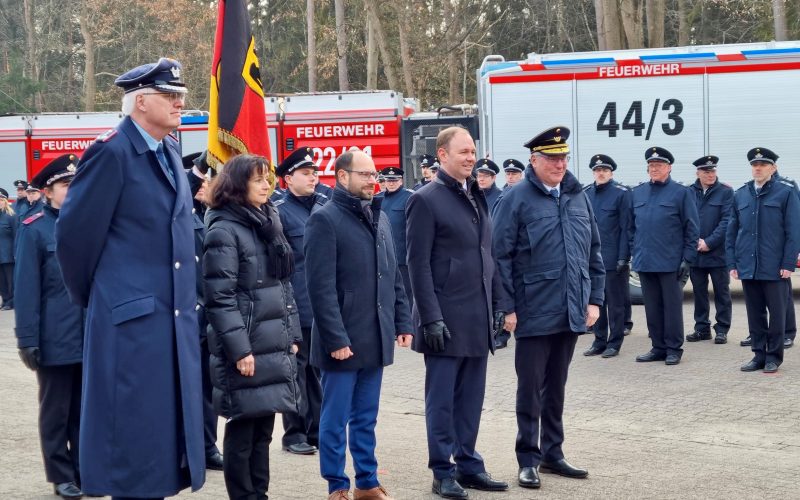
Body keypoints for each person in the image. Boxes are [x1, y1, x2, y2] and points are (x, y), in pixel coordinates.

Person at [55, 57, 205, 499]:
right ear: (140, 102)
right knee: (134, 443)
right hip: (131, 321)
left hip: (171, 317)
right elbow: (75, 238)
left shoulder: (169, 148)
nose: (180, 103)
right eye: (170, 96)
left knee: (162, 441)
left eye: (181, 95)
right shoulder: (112, 151)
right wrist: (105, 299)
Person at [493, 126, 604, 490]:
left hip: (571, 310)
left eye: (564, 158)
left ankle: (553, 453)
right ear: (534, 160)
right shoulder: (516, 198)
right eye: (552, 158)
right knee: (530, 389)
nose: (560, 164)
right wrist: (507, 308)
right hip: (532, 309)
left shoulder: (577, 196)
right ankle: (528, 458)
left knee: (556, 386)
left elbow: (593, 252)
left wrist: (594, 299)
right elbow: (500, 257)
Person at [406, 127, 508, 499]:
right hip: (444, 321)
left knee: (470, 400)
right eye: (463, 152)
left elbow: (487, 258)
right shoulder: (425, 199)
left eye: (473, 152)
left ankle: (468, 463)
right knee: (443, 400)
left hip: (476, 318)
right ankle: (441, 470)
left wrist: (498, 306)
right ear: (443, 155)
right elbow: (417, 265)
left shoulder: (475, 196)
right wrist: (430, 317)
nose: (470, 157)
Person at [305, 149, 413, 500]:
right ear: (342, 177)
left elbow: (391, 273)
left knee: (366, 418)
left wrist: (401, 320)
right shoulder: (325, 219)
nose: (373, 180)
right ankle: (337, 484)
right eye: (365, 174)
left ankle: (366, 481)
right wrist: (335, 339)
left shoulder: (378, 217)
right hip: (342, 341)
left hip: (375, 336)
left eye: (374, 174)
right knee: (335, 420)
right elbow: (320, 289)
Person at [202, 154, 301, 500]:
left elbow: (283, 286)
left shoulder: (267, 220)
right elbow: (220, 297)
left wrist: (294, 335)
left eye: (268, 179)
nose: (266, 185)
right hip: (246, 348)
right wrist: (239, 350)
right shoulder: (223, 229)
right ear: (236, 184)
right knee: (243, 431)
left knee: (264, 430)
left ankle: (260, 494)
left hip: (272, 342)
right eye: (258, 179)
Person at [15, 154, 85, 499]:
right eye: (64, 185)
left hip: (89, 336)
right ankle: (61, 475)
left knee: (84, 409)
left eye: (75, 183)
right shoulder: (34, 230)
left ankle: (83, 469)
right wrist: (27, 339)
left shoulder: (87, 223)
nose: (71, 190)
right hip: (55, 337)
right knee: (56, 410)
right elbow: (26, 290)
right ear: (47, 191)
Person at [727, 147, 800, 374]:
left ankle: (773, 357)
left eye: (763, 165)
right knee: (754, 313)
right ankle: (758, 355)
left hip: (774, 266)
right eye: (755, 165)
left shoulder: (785, 192)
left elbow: (794, 231)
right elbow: (732, 231)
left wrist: (788, 263)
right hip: (748, 266)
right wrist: (732, 263)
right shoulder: (741, 194)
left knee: (777, 314)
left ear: (773, 168)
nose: (758, 168)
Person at [274, 147, 327, 456]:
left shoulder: (324, 204)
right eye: (306, 174)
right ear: (288, 179)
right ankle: (294, 433)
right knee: (295, 371)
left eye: (314, 173)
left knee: (319, 371)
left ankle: (318, 429)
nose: (313, 178)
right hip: (295, 304)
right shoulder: (279, 210)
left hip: (323, 305)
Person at [631, 147, 699, 366]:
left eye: (659, 165)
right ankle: (658, 347)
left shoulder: (681, 192)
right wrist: (634, 251)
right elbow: (631, 227)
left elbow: (692, 228)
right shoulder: (638, 192)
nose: (654, 169)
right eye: (651, 165)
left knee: (671, 308)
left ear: (669, 168)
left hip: (670, 262)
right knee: (652, 308)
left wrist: (687, 259)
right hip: (645, 261)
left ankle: (673, 348)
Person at [182, 151, 225, 472]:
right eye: (202, 178)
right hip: (183, 317)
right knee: (183, 388)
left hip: (209, 318)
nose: (204, 184)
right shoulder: (182, 210)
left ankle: (207, 446)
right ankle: (183, 448)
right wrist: (200, 169)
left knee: (208, 390)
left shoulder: (216, 215)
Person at [582, 154, 631, 358]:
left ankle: (614, 343)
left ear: (611, 172)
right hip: (591, 260)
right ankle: (599, 341)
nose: (600, 173)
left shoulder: (621, 194)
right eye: (597, 170)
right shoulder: (585, 194)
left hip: (612, 260)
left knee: (616, 305)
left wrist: (623, 258)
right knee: (596, 302)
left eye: (604, 170)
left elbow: (626, 228)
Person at [687, 156, 734, 345]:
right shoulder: (689, 192)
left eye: (713, 171)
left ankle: (722, 329)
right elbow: (686, 219)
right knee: (699, 293)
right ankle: (702, 328)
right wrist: (694, 242)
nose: (710, 174)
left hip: (718, 253)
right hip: (696, 253)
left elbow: (727, 221)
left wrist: (709, 242)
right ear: (698, 173)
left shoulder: (725, 192)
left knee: (722, 292)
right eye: (706, 171)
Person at [379, 166, 415, 312]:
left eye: (395, 180)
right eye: (388, 180)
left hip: (402, 259)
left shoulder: (409, 197)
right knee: (386, 296)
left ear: (401, 181)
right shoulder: (378, 198)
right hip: (384, 258)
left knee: (406, 297)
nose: (391, 183)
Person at [0, 188, 16, 310]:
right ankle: (5, 300)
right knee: (1, 281)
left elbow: (16, 236)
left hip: (8, 255)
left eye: (1, 199)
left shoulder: (10, 217)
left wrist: (16, 253)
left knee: (10, 280)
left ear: (5, 201)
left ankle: (11, 301)